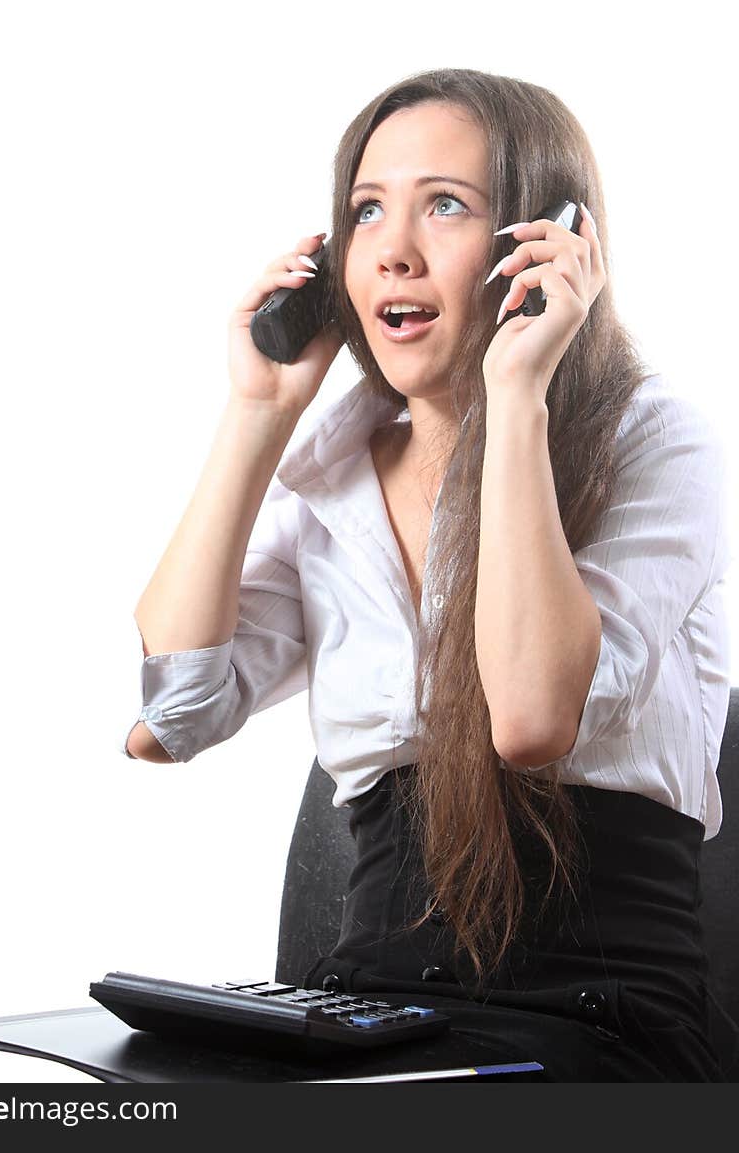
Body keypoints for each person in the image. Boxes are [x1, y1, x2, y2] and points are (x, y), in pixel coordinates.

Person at [122, 68, 735, 1082]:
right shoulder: (330, 472)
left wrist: (518, 393)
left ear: (545, 238)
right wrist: (258, 414)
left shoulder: (655, 440)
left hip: (594, 1021)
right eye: (366, 212)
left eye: (444, 205)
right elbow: (173, 716)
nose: (393, 249)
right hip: (369, 1014)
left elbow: (532, 720)